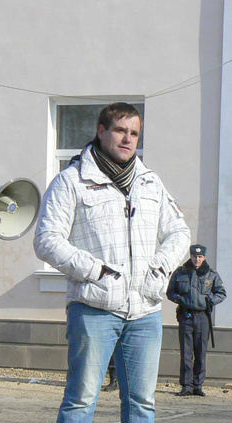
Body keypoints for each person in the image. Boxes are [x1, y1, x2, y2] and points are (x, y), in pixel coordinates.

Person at [34, 102, 191, 422]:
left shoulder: (150, 182)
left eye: (134, 133)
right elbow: (46, 240)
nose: (128, 138)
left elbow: (179, 232)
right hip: (93, 308)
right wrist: (97, 271)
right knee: (81, 401)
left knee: (142, 403)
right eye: (120, 130)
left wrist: (159, 268)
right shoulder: (71, 180)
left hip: (145, 311)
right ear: (101, 131)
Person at [166, 244, 226, 397]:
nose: (197, 259)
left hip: (202, 318)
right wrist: (179, 299)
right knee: (186, 353)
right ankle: (186, 385)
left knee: (200, 352)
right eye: (194, 256)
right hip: (186, 317)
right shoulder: (180, 273)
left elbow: (221, 293)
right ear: (190, 256)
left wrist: (209, 301)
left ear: (204, 257)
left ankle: (198, 385)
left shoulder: (211, 274)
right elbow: (170, 292)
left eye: (200, 257)